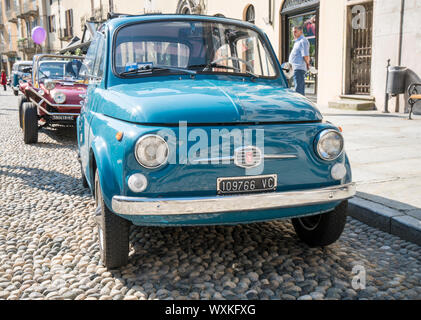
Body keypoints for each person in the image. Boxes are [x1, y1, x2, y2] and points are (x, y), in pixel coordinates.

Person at [288, 26, 311, 96]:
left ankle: (300, 106)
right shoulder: (297, 41)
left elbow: (306, 55)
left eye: (295, 31)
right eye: (292, 31)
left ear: (301, 31)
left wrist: (308, 64)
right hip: (294, 69)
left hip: (298, 69)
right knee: (296, 90)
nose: (293, 33)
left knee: (299, 91)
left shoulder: (303, 41)